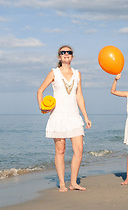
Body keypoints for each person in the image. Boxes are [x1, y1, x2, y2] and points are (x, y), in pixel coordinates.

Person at [37, 45, 92, 192]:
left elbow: (79, 96)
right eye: (63, 52)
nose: (66, 54)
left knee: (79, 150)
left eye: (69, 52)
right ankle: (62, 183)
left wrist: (85, 116)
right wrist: (42, 107)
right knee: (60, 150)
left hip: (74, 116)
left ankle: (73, 182)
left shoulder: (77, 74)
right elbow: (40, 90)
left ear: (72, 56)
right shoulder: (54, 72)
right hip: (58, 116)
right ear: (59, 57)